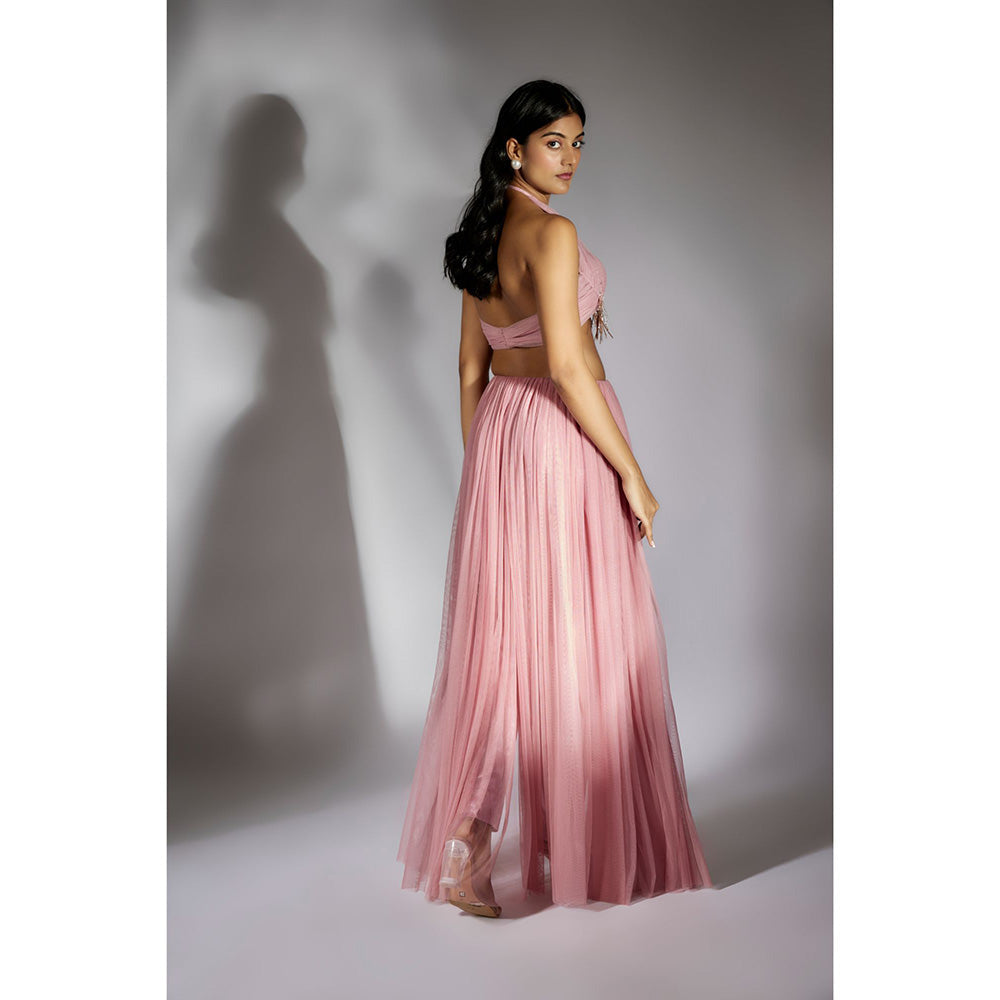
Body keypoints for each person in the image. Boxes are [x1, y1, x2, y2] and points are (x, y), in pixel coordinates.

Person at [396, 80, 713, 917]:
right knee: (583, 632)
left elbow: (470, 370)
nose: (570, 158)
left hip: (504, 434)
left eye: (578, 143)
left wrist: (488, 471)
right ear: (514, 148)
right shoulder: (554, 232)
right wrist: (633, 473)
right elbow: (570, 368)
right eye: (553, 142)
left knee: (507, 641)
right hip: (566, 432)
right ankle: (581, 839)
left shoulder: (481, 235)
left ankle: (472, 844)